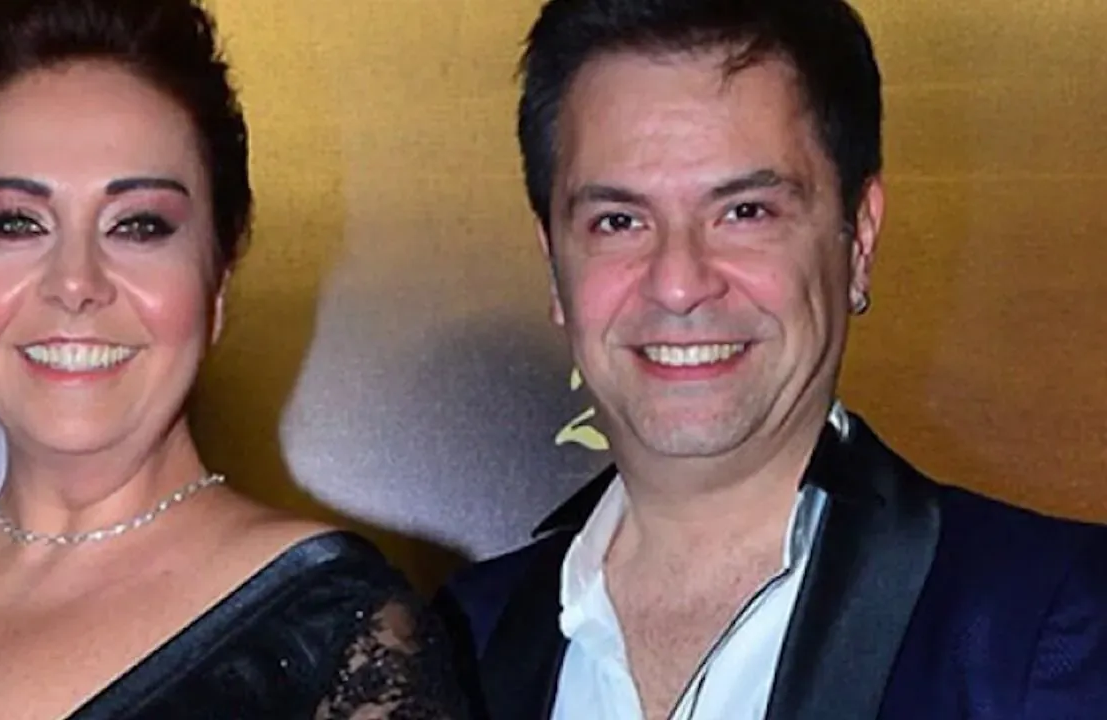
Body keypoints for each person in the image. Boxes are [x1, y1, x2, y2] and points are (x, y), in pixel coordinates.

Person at [437, 0, 1107, 718]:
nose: (679, 284)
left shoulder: (1052, 626)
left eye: (745, 212)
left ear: (858, 240)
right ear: (554, 265)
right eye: (619, 221)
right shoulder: (453, 647)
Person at [0, 1, 467, 718]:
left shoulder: (337, 630)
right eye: (16, 222)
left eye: (137, 226)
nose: (75, 283)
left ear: (218, 278)